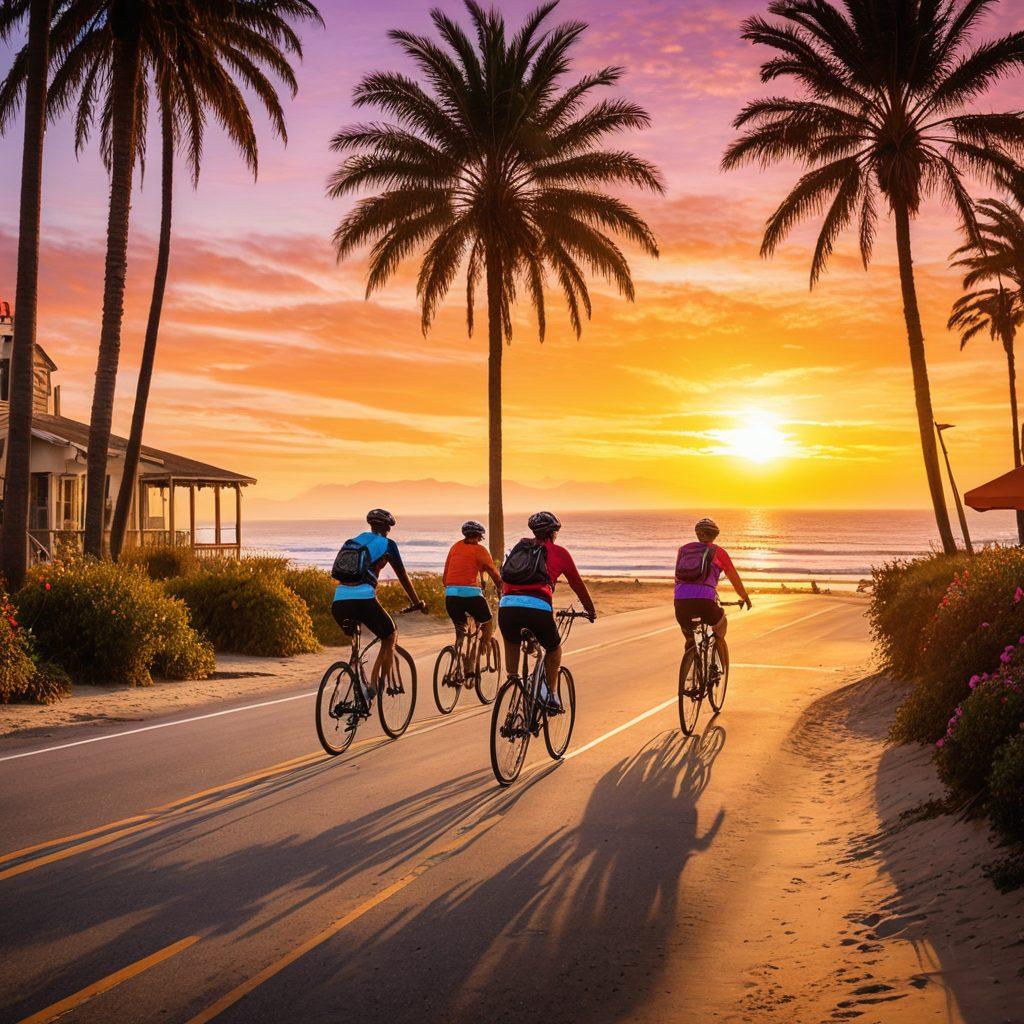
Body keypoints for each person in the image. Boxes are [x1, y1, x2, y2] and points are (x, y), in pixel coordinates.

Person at [498, 511, 596, 711]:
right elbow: (577, 584)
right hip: (538, 609)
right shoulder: (559, 553)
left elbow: (504, 578)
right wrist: (590, 610)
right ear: (553, 533)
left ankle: (512, 683)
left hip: (507, 607)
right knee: (553, 648)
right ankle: (551, 695)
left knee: (512, 642)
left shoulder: (519, 548)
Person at [331, 509, 425, 700]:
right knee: (389, 635)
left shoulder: (353, 541)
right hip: (364, 600)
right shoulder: (387, 545)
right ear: (388, 528)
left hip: (339, 602)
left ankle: (352, 681)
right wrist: (417, 602)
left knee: (356, 639)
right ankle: (373, 687)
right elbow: (403, 576)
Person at [674, 517, 752, 679]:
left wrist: (681, 597)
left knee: (688, 632)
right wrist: (744, 597)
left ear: (697, 534)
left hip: (680, 601)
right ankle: (721, 671)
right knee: (720, 629)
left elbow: (677, 577)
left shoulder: (683, 550)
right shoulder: (718, 552)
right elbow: (733, 577)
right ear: (715, 535)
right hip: (706, 601)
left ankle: (691, 647)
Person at [442, 520, 503, 683]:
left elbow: (445, 576)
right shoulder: (480, 550)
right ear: (479, 536)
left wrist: (453, 590)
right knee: (488, 623)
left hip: (451, 595)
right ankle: (479, 651)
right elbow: (494, 573)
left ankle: (455, 669)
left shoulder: (455, 547)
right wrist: (500, 589)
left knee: (461, 631)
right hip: (471, 595)